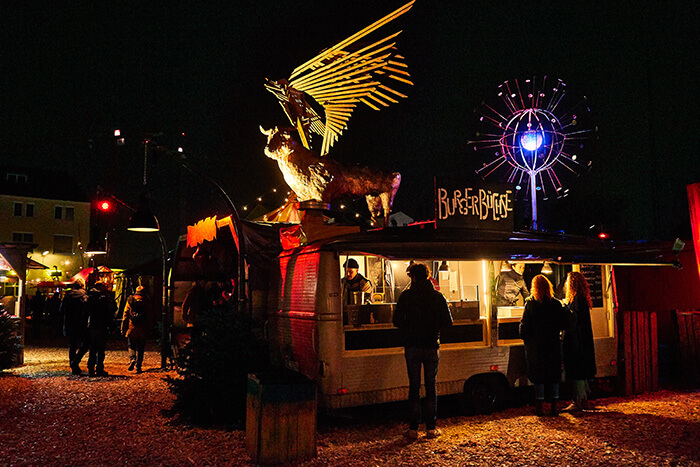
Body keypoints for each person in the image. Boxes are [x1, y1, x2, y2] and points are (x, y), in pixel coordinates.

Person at [393, 262, 453, 439]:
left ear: (412, 276)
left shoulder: (406, 296)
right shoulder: (437, 297)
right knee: (431, 386)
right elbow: (448, 322)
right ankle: (431, 428)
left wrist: (408, 328)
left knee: (414, 387)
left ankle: (413, 429)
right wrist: (435, 328)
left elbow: (396, 321)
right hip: (431, 346)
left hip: (412, 345)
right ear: (428, 276)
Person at [519, 274, 569, 416]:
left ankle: (540, 407)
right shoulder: (556, 304)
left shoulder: (530, 304)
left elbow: (524, 326)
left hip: (536, 346)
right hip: (552, 344)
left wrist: (526, 339)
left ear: (534, 288)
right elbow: (563, 323)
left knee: (538, 376)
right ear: (549, 287)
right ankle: (554, 407)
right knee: (553, 375)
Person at [562, 271, 596, 411]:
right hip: (583, 341)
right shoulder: (582, 299)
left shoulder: (576, 300)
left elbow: (572, 321)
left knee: (576, 370)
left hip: (576, 341)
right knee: (582, 370)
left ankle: (578, 400)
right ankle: (584, 399)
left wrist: (564, 309)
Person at [86, 281, 117, 377]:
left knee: (93, 348)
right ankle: (99, 368)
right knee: (100, 349)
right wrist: (111, 326)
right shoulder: (104, 297)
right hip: (102, 325)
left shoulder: (89, 296)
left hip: (92, 324)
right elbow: (109, 312)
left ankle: (91, 368)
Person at [60, 279, 89, 375]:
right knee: (85, 344)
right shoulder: (84, 295)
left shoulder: (68, 296)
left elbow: (61, 309)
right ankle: (75, 362)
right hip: (81, 323)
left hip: (69, 323)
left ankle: (73, 365)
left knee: (72, 345)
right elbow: (87, 310)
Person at [121, 285, 151, 373]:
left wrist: (123, 328)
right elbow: (150, 315)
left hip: (132, 327)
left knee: (131, 345)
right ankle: (139, 366)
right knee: (141, 348)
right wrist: (150, 327)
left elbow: (125, 315)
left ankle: (132, 359)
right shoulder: (146, 301)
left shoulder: (130, 300)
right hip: (143, 327)